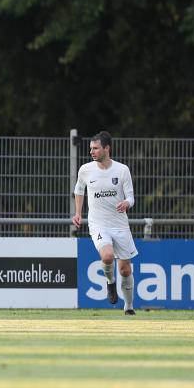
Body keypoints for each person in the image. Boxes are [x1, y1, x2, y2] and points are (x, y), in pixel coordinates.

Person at [72, 131, 138, 315]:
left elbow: (131, 197)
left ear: (106, 148)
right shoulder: (85, 170)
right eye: (90, 148)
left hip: (120, 225)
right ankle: (110, 283)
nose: (92, 152)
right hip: (98, 224)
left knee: (125, 270)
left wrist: (127, 203)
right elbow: (79, 190)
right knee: (107, 256)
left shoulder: (122, 170)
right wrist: (77, 213)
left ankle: (129, 306)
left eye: (96, 148)